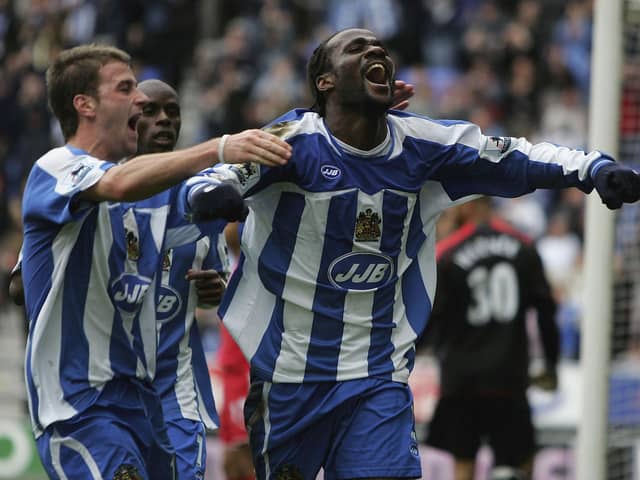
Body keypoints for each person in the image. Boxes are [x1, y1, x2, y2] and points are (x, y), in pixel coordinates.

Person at [201, 28, 640, 480]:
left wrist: (592, 168)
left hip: (378, 375)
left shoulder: (424, 145)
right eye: (356, 48)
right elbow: (220, 175)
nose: (375, 51)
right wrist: (214, 196)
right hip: (288, 373)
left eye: (380, 48)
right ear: (325, 82)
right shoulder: (291, 141)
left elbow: (515, 157)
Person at [20, 44, 291, 480]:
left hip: (144, 402)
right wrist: (220, 147)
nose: (140, 103)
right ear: (84, 104)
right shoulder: (57, 167)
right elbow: (121, 185)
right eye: (126, 89)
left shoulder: (151, 197)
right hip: (82, 404)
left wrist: (344, 121)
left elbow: (198, 201)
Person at [417, 196, 559, 480]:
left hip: (460, 378)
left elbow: (430, 320)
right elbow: (546, 311)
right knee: (518, 464)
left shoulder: (447, 253)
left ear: (468, 204)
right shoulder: (524, 247)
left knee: (463, 463)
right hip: (509, 375)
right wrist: (551, 365)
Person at [135, 78, 227, 479]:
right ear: (127, 118)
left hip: (177, 386)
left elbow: (212, 290)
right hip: (112, 385)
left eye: (173, 112)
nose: (164, 120)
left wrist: (213, 290)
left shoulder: (200, 197)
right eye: (151, 111)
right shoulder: (97, 187)